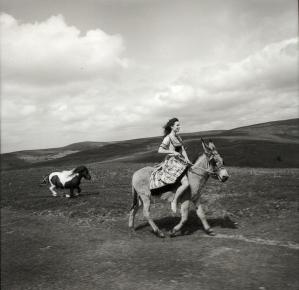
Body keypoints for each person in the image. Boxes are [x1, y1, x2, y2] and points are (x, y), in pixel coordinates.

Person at [150, 117, 191, 213]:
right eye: (177, 125)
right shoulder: (168, 138)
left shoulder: (178, 137)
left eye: (179, 125)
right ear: (172, 127)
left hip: (181, 161)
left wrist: (187, 159)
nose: (179, 127)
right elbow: (160, 150)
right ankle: (174, 200)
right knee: (186, 183)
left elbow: (183, 150)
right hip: (172, 163)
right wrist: (172, 151)